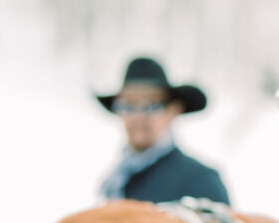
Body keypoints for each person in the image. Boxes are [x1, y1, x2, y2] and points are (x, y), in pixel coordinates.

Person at [96, 56, 230, 205]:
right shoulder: (114, 183)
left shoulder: (201, 181)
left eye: (151, 106)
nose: (137, 117)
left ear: (173, 110)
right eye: (127, 106)